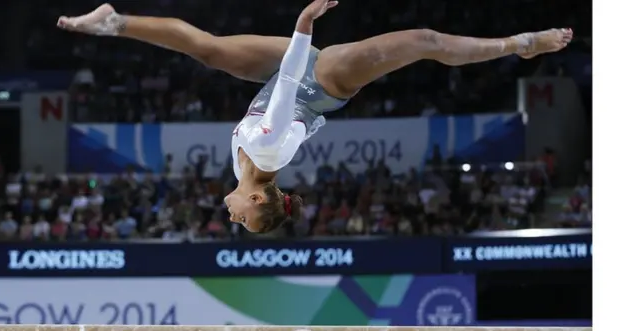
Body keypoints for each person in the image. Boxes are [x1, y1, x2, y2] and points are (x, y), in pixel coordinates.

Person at [57, 1, 573, 233]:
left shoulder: (246, 172)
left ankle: (115, 22)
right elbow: (284, 88)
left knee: (210, 51)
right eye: (242, 218)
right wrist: (303, 25)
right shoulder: (267, 153)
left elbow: (276, 86)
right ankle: (519, 45)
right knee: (425, 43)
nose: (230, 217)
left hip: (287, 75)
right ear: (259, 199)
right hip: (318, 80)